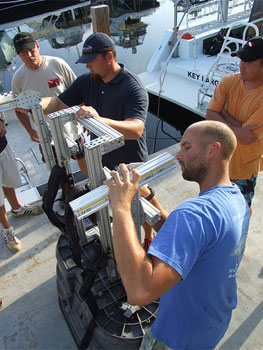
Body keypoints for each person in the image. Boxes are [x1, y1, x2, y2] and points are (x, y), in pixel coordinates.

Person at [104, 120, 250, 349]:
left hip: (178, 336)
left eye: (187, 147)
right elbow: (192, 241)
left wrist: (121, 205)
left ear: (213, 150)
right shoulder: (237, 199)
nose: (178, 155)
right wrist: (151, 198)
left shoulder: (193, 214)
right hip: (212, 322)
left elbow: (139, 292)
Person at [31, 31, 161, 250]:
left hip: (130, 161)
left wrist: (99, 119)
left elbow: (136, 129)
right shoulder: (87, 82)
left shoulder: (133, 87)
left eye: (91, 61)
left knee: (144, 203)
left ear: (108, 56)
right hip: (102, 160)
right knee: (121, 206)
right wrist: (33, 104)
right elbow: (56, 104)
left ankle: (150, 238)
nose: (87, 66)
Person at [12, 32, 87, 176]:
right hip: (45, 136)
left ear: (38, 46)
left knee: (83, 159)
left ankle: (94, 186)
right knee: (58, 171)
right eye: (23, 53)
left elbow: (79, 92)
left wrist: (87, 117)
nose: (29, 55)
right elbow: (18, 109)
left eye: (31, 50)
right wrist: (30, 131)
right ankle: (68, 194)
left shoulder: (57, 64)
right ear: (17, 55)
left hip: (72, 128)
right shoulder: (18, 79)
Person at [206, 36, 263, 211]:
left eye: (249, 60)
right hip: (218, 162)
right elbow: (209, 115)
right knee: (215, 208)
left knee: (241, 212)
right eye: (241, 59)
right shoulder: (229, 81)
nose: (242, 64)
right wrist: (237, 127)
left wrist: (222, 114)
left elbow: (247, 137)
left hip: (244, 169)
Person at [0, 114, 43, 253]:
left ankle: (17, 209)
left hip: (2, 145)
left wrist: (1, 121)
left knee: (9, 179)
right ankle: (7, 230)